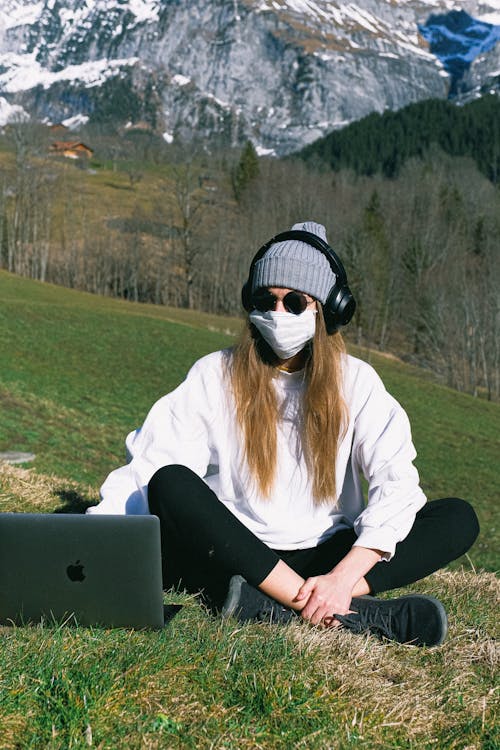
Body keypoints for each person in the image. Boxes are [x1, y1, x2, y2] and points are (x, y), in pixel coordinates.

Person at [88, 221, 480, 646]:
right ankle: (339, 611)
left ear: (328, 309)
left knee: (457, 518)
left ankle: (284, 602)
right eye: (265, 300)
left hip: (325, 551)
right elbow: (151, 462)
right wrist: (95, 541)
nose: (277, 314)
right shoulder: (215, 373)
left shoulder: (358, 383)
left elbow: (397, 483)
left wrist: (340, 578)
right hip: (236, 548)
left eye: (294, 302)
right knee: (172, 482)